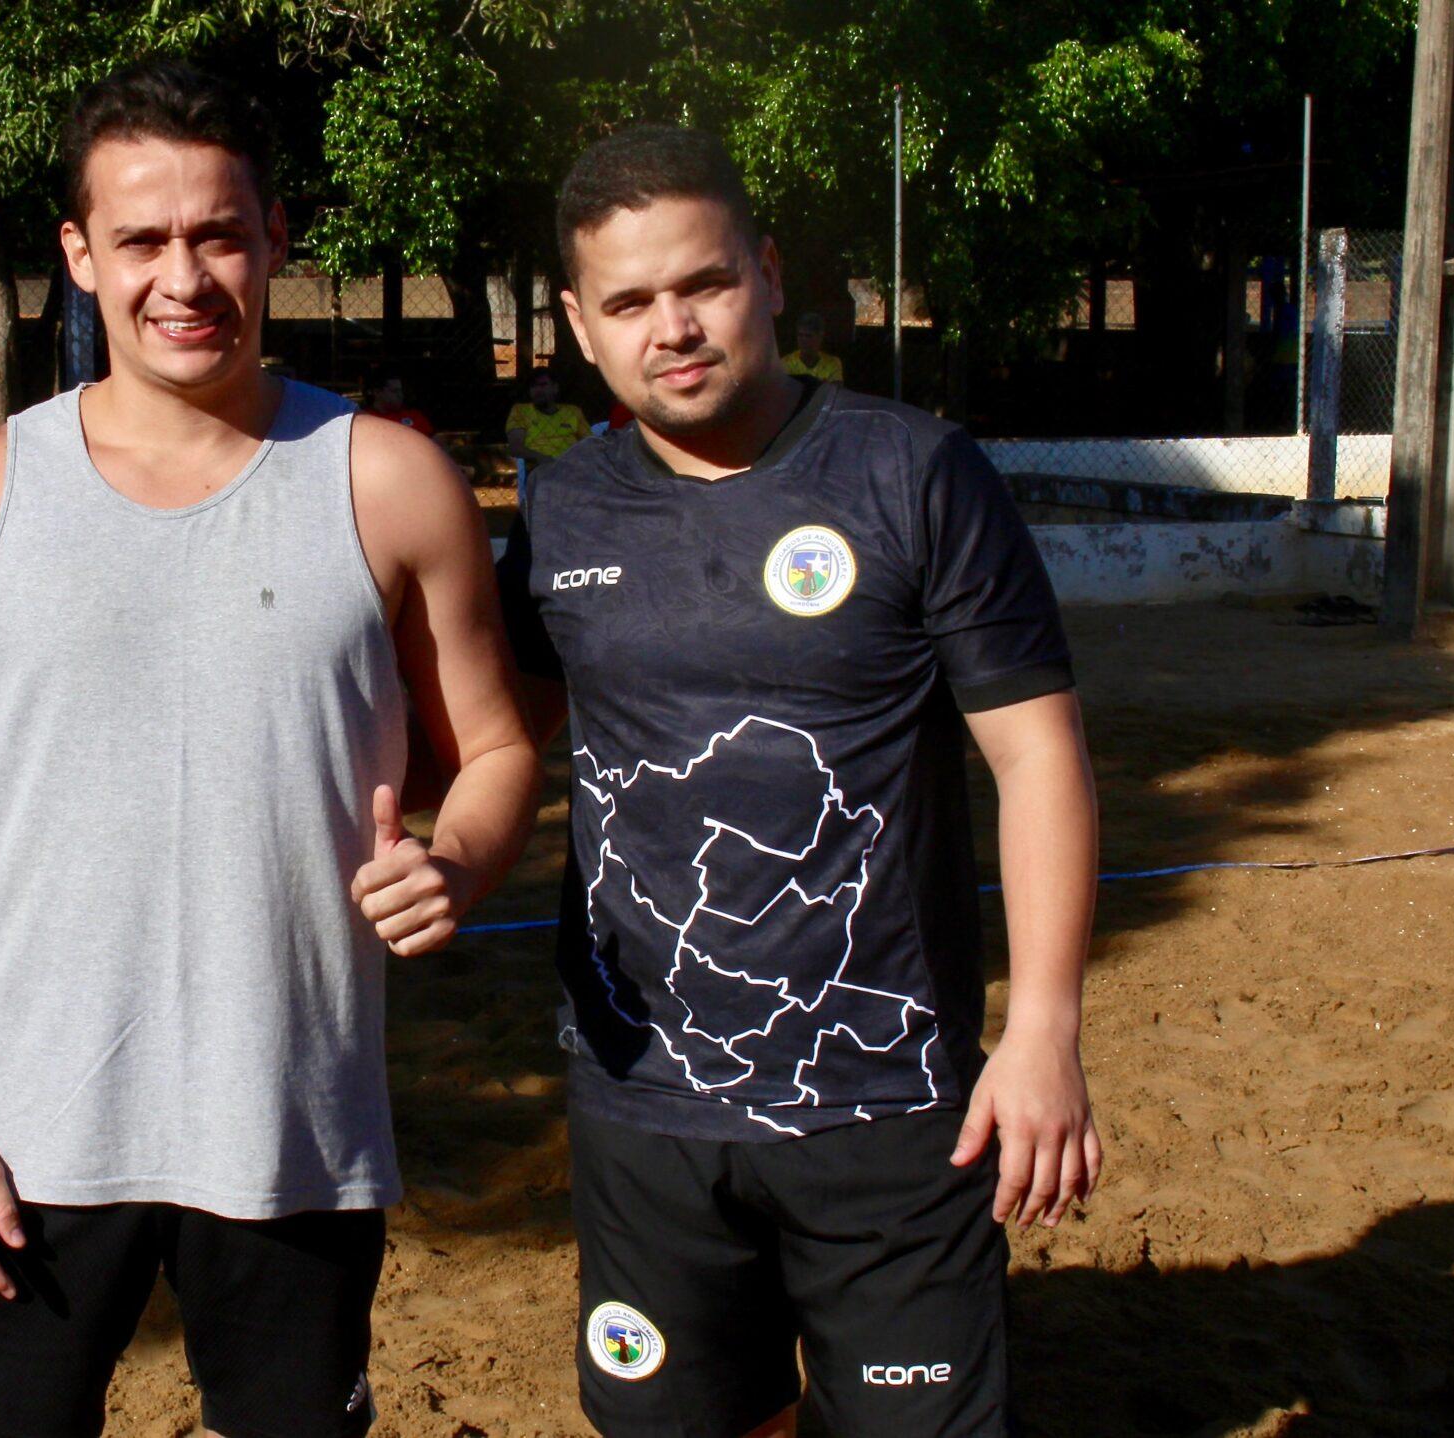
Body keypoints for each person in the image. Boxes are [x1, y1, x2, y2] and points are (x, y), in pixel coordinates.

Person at [0, 60, 540, 1438]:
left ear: (274, 237)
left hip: (291, 1125)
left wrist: (459, 860)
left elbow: (499, 746)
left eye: (219, 234)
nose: (184, 277)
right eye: (142, 239)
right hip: (22, 1136)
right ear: (79, 254)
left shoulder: (389, 479)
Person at [497, 125, 1101, 1437]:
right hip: (641, 1102)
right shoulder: (560, 511)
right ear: (580, 325)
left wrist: (1044, 1027)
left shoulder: (913, 473)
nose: (673, 327)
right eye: (628, 302)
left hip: (890, 1100)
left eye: (704, 282)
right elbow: (497, 741)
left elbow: (1037, 755)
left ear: (767, 274)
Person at [504, 365, 589, 469]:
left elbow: (589, 442)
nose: (538, 390)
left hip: (573, 466)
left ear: (555, 388)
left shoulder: (573, 412)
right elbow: (515, 448)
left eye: (543, 385)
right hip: (540, 468)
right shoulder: (520, 411)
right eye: (533, 386)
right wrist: (541, 458)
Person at [363, 368, 434, 437]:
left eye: (400, 391)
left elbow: (433, 440)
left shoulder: (415, 416)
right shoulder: (366, 420)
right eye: (395, 391)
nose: (400, 395)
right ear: (377, 392)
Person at [782, 311, 843, 383]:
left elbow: (836, 388)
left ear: (820, 337)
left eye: (808, 336)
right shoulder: (786, 363)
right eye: (800, 335)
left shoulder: (833, 363)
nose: (803, 340)